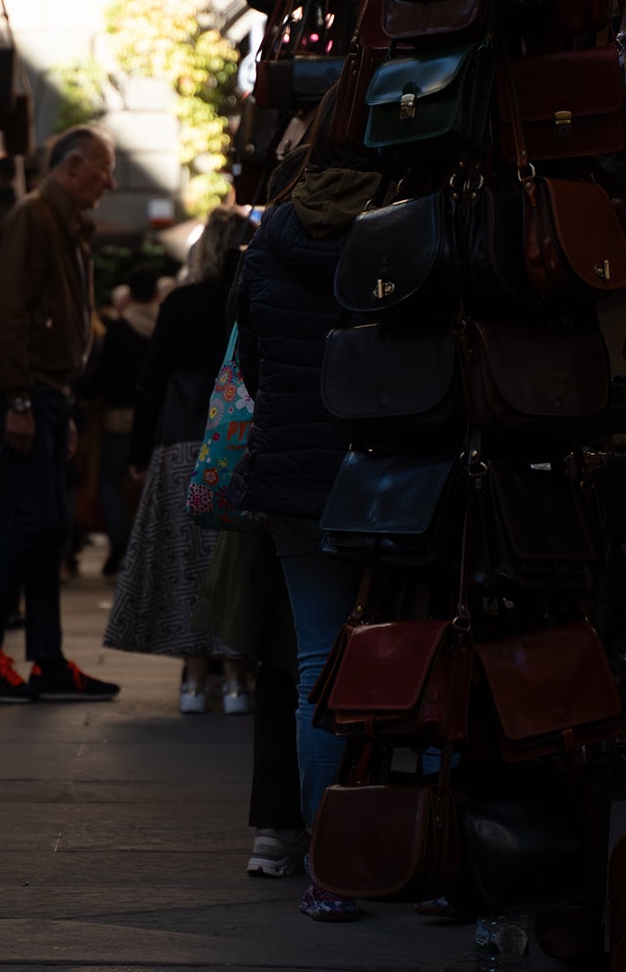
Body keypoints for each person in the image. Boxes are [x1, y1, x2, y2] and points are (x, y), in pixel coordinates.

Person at [235, 114, 381, 918]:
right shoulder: (400, 228)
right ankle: (398, 839)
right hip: (393, 480)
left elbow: (251, 363)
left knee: (317, 668)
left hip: (292, 479)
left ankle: (330, 861)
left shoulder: (267, 244)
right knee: (405, 655)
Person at [0, 126, 122, 704]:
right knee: (31, 525)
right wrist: (21, 398)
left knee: (51, 527)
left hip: (48, 391)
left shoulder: (67, 224)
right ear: (73, 166)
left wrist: (61, 404)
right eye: (104, 170)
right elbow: (6, 310)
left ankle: (48, 660)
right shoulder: (34, 216)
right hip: (27, 390)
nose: (111, 181)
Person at [103, 211, 257, 714]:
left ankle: (192, 681)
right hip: (240, 447)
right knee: (232, 567)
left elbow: (152, 379)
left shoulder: (181, 303)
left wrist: (139, 452)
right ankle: (236, 681)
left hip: (180, 446)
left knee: (185, 565)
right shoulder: (251, 300)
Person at [87, 267, 163, 576]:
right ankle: (144, 544)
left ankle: (121, 536)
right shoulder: (162, 327)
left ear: (129, 295)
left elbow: (101, 376)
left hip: (117, 419)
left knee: (110, 481)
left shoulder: (118, 330)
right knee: (147, 483)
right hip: (154, 419)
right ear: (157, 294)